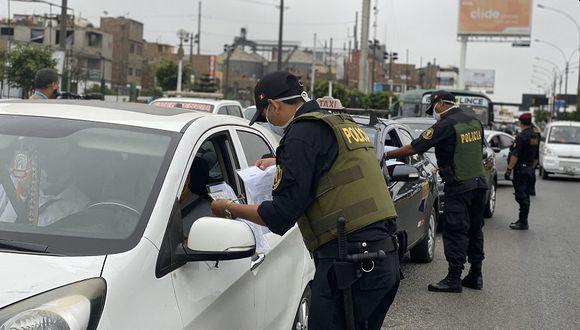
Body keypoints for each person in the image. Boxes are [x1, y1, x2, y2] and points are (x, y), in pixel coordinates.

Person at [210, 71, 400, 329]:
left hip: (351, 265)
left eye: (266, 114)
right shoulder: (337, 122)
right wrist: (280, 162)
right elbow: (334, 166)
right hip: (381, 258)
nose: (268, 122)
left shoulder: (300, 134)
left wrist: (229, 207)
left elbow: (280, 216)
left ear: (274, 105)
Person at [385, 90, 487, 293]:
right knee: (475, 230)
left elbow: (414, 148)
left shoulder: (445, 124)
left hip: (459, 187)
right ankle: (476, 274)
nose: (434, 113)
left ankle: (454, 279)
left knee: (455, 231)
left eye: (434, 108)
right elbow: (473, 150)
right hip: (479, 185)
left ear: (441, 103)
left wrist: (386, 154)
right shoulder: (474, 120)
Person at [505, 113, 539, 230]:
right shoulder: (535, 136)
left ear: (520, 122)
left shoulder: (521, 137)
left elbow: (515, 155)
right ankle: (522, 220)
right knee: (525, 196)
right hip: (529, 168)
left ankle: (523, 222)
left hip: (521, 169)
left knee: (521, 196)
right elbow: (536, 156)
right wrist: (531, 168)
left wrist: (509, 170)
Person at [528, 124, 541, 196]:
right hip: (534, 156)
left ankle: (531, 190)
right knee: (531, 173)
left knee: (531, 173)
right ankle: (531, 189)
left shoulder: (533, 134)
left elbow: (534, 148)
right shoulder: (535, 132)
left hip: (532, 157)